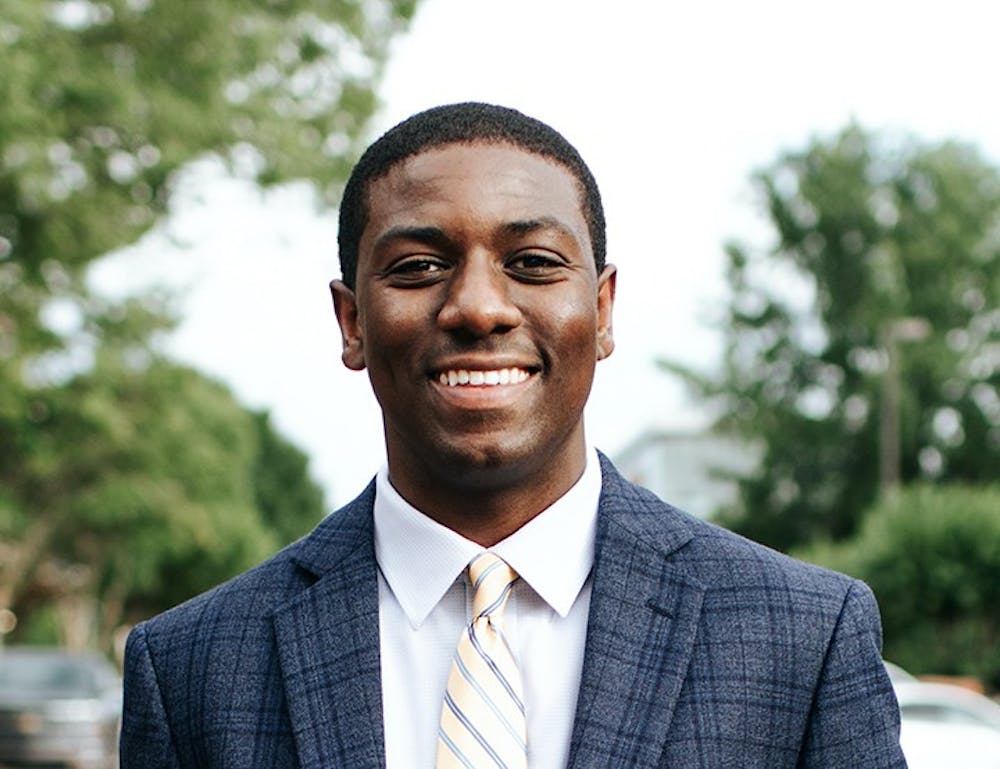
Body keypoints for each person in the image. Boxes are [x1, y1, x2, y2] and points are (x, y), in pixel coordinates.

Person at [120, 102, 907, 768]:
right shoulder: (191, 667)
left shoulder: (803, 636)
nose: (477, 306)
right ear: (352, 321)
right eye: (419, 267)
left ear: (601, 312)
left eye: (531, 261)